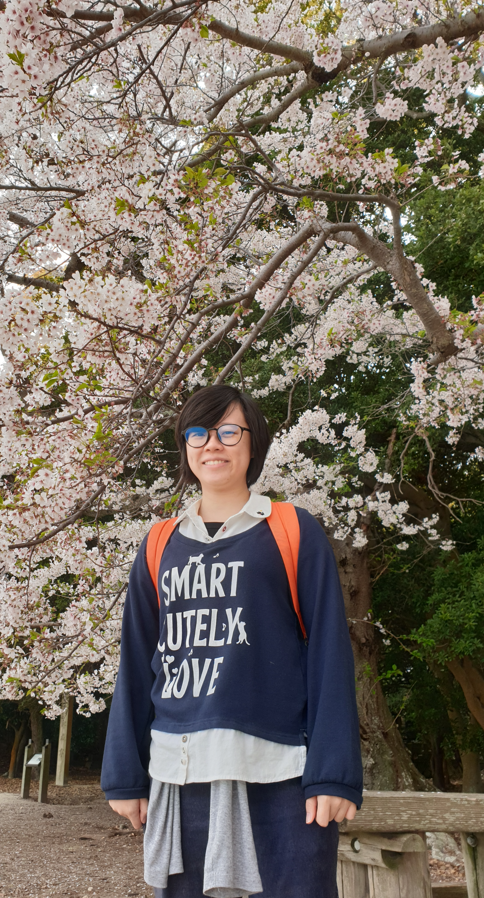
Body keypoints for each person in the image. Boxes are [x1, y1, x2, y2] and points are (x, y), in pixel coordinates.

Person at [101, 385, 362, 898]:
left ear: (252, 442)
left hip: (280, 770)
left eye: (227, 431)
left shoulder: (291, 529)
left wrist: (333, 775)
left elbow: (329, 653)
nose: (212, 445)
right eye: (198, 433)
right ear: (185, 447)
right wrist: (125, 775)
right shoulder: (159, 543)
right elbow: (136, 660)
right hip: (179, 769)